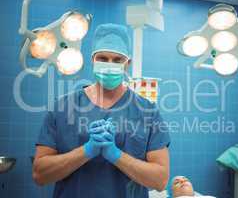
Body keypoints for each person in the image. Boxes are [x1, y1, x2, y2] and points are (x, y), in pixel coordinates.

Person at [32, 23, 170, 198]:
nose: (109, 64)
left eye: (117, 60)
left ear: (127, 63)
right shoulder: (62, 108)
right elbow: (40, 175)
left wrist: (115, 155)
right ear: (92, 60)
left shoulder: (147, 111)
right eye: (103, 58)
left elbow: (160, 181)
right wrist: (87, 150)